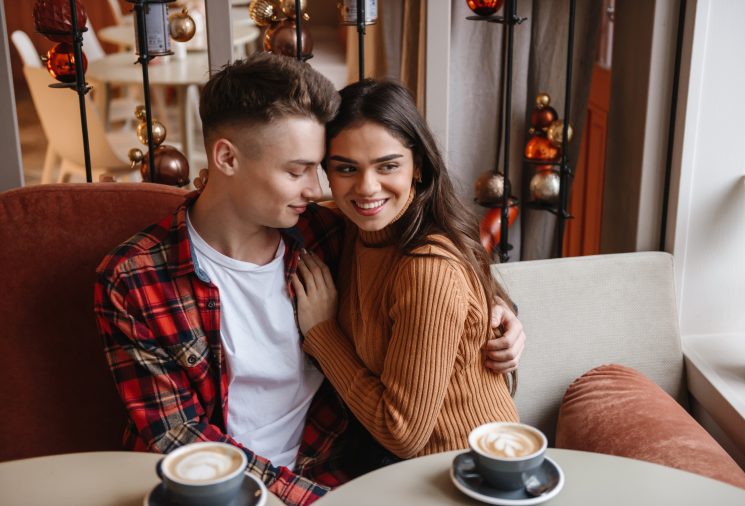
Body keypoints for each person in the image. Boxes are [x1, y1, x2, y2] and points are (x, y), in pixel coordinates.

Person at [94, 53, 524, 506]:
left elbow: (434, 265)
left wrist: (501, 312)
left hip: (333, 469)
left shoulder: (327, 235)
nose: (317, 190)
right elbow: (180, 437)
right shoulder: (134, 280)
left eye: (320, 169)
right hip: (216, 489)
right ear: (226, 158)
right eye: (297, 171)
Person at [293, 79, 520, 460]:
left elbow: (401, 433)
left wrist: (321, 333)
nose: (367, 188)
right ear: (327, 174)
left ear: (418, 167)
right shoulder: (359, 224)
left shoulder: (427, 270)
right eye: (347, 168)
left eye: (388, 166)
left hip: (466, 470)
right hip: (401, 466)